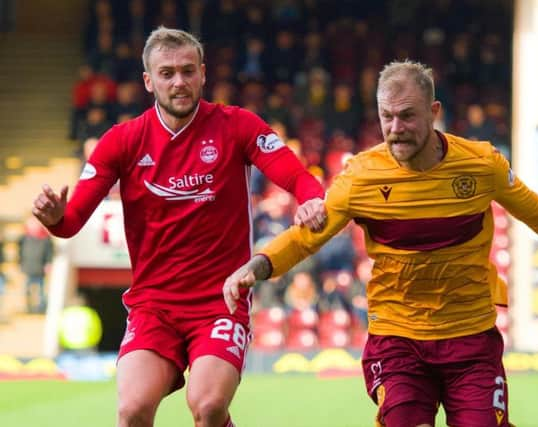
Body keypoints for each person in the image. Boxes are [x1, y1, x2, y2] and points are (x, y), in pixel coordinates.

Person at [223, 60, 538, 427]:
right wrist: (255, 267)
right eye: (387, 117)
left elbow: (534, 210)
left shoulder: (481, 165)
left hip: (471, 339)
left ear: (434, 112)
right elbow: (305, 239)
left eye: (407, 116)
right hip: (397, 340)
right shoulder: (360, 177)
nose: (395, 127)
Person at [32, 27, 326, 427]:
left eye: (188, 71)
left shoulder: (237, 125)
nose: (179, 82)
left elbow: (297, 175)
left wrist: (310, 197)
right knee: (132, 410)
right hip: (153, 305)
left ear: (203, 73)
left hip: (221, 299)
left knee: (207, 406)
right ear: (148, 81)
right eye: (167, 73)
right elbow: (69, 224)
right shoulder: (122, 141)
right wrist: (53, 217)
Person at [19, 216, 54, 314]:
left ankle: (41, 308)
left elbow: (49, 253)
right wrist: (21, 263)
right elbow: (21, 252)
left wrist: (48, 263)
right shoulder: (24, 238)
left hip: (40, 270)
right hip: (28, 268)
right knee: (28, 290)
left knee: (41, 291)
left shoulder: (45, 239)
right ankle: (28, 307)